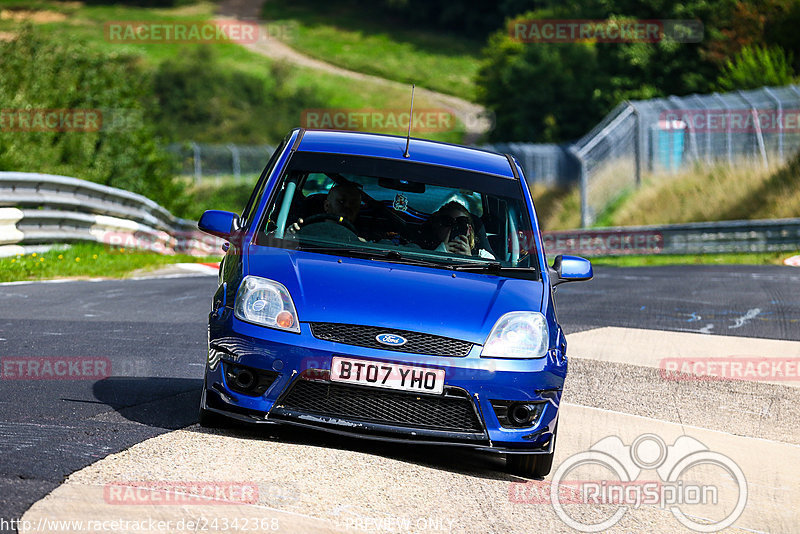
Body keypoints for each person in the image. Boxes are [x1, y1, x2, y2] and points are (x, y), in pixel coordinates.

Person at [288, 183, 363, 240]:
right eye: (341, 201)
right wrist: (290, 235)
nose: (348, 207)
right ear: (326, 205)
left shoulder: (360, 242)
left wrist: (363, 246)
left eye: (353, 203)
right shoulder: (306, 233)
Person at [422, 201, 494, 258]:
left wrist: (469, 259)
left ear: (469, 230)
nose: (454, 227)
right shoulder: (418, 252)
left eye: (461, 223)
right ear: (438, 227)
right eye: (447, 222)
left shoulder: (483, 256)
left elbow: (490, 274)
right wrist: (440, 252)